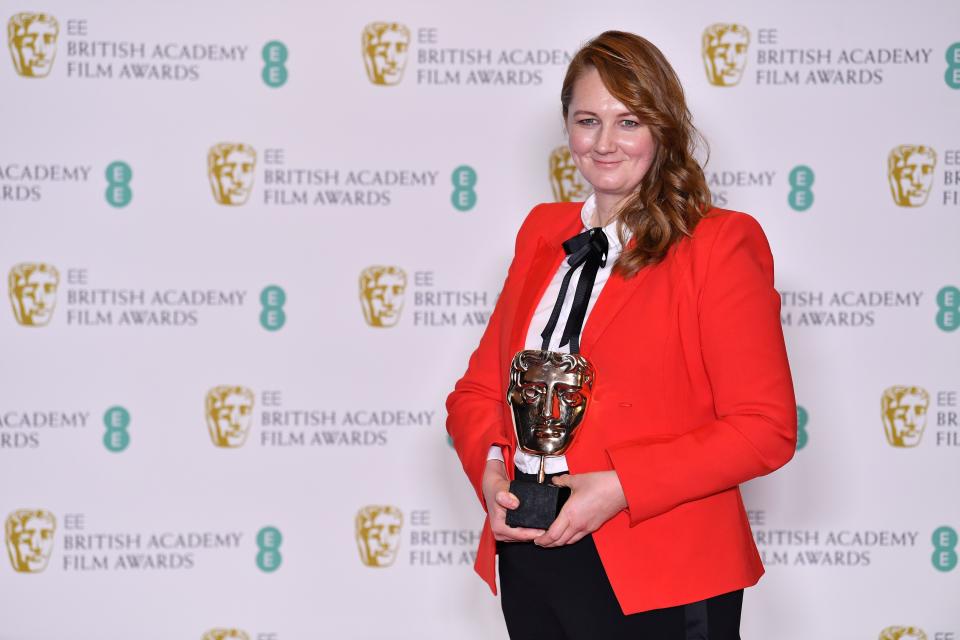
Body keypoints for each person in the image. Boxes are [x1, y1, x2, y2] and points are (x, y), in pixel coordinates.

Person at [445, 31, 796, 638]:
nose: (604, 143)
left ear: (664, 129)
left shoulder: (718, 243)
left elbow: (765, 429)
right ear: (567, 131)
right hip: (528, 549)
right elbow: (477, 392)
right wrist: (492, 472)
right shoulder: (541, 230)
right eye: (588, 120)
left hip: (658, 562)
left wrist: (619, 487)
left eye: (628, 120)